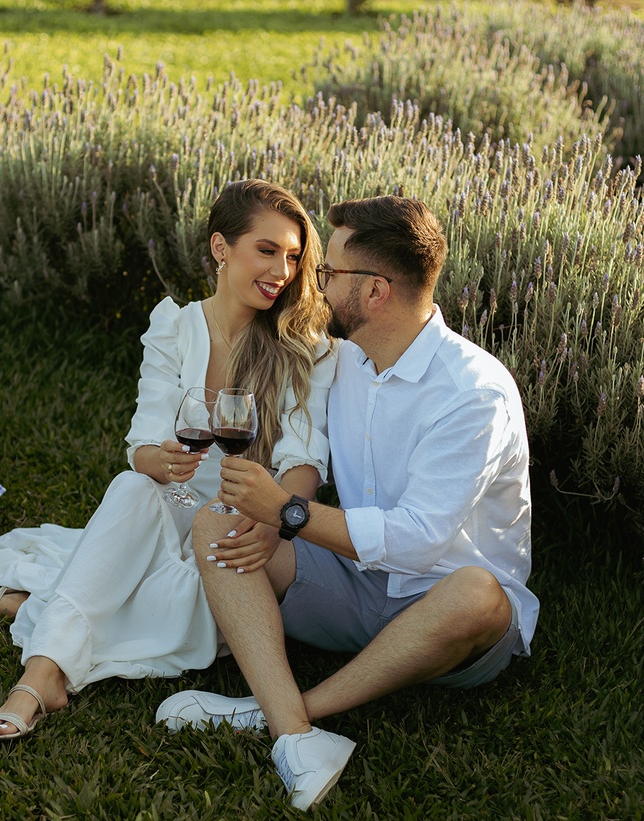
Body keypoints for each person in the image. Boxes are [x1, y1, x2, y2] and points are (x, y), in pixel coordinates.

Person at [156, 194, 538, 811]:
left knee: (478, 593)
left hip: (444, 617)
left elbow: (419, 541)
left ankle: (276, 711)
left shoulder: (473, 394)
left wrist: (288, 513)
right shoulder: (345, 360)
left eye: (329, 273)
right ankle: (295, 733)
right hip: (356, 583)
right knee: (214, 525)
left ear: (376, 291)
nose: (315, 285)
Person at [0, 179, 336, 741]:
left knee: (146, 581)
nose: (282, 271)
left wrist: (276, 521)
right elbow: (141, 448)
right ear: (221, 247)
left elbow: (303, 460)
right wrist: (162, 462)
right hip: (171, 502)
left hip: (238, 524)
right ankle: (41, 677)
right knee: (132, 488)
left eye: (292, 256)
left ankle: (29, 607)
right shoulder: (174, 327)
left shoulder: (304, 346)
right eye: (267, 250)